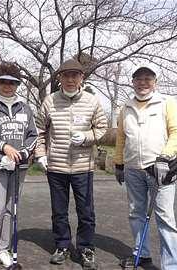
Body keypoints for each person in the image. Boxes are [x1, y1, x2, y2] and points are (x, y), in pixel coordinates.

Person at [34, 59, 108, 270]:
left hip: (83, 166)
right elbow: (39, 129)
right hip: (55, 166)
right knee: (59, 210)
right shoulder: (50, 101)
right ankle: (62, 245)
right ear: (60, 78)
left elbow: (102, 127)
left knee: (86, 211)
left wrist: (86, 136)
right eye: (66, 76)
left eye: (74, 75)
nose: (70, 79)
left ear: (81, 78)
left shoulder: (92, 101)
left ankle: (86, 248)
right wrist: (41, 154)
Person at [114, 67, 177, 270]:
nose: (143, 83)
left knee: (166, 218)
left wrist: (165, 156)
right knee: (136, 213)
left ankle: (171, 265)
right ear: (133, 82)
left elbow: (176, 132)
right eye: (139, 79)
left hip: (160, 169)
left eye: (148, 79)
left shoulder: (166, 103)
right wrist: (119, 163)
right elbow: (120, 138)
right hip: (133, 168)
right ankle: (141, 254)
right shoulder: (125, 107)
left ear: (155, 82)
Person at [0, 62, 38, 270]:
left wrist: (25, 152)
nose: (7, 86)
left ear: (17, 84)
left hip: (19, 168)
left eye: (12, 82)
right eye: (2, 82)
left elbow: (33, 135)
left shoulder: (26, 108)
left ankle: (3, 249)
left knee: (11, 210)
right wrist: (3, 147)